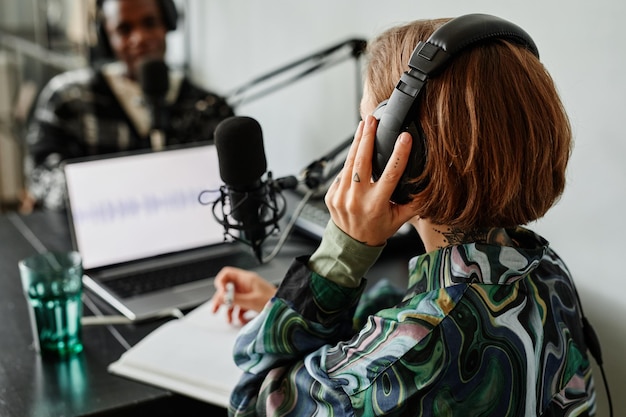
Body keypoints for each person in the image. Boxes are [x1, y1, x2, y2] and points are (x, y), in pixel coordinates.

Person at [211, 16, 596, 416]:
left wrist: (338, 258)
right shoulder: (546, 274)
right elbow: (410, 311)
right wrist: (301, 309)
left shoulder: (396, 364)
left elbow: (251, 399)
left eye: (367, 126)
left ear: (397, 149)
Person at [22, 0, 234, 211]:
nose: (139, 38)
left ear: (167, 23)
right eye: (124, 29)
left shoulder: (207, 106)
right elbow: (42, 176)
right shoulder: (69, 99)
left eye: (150, 23)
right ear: (106, 37)